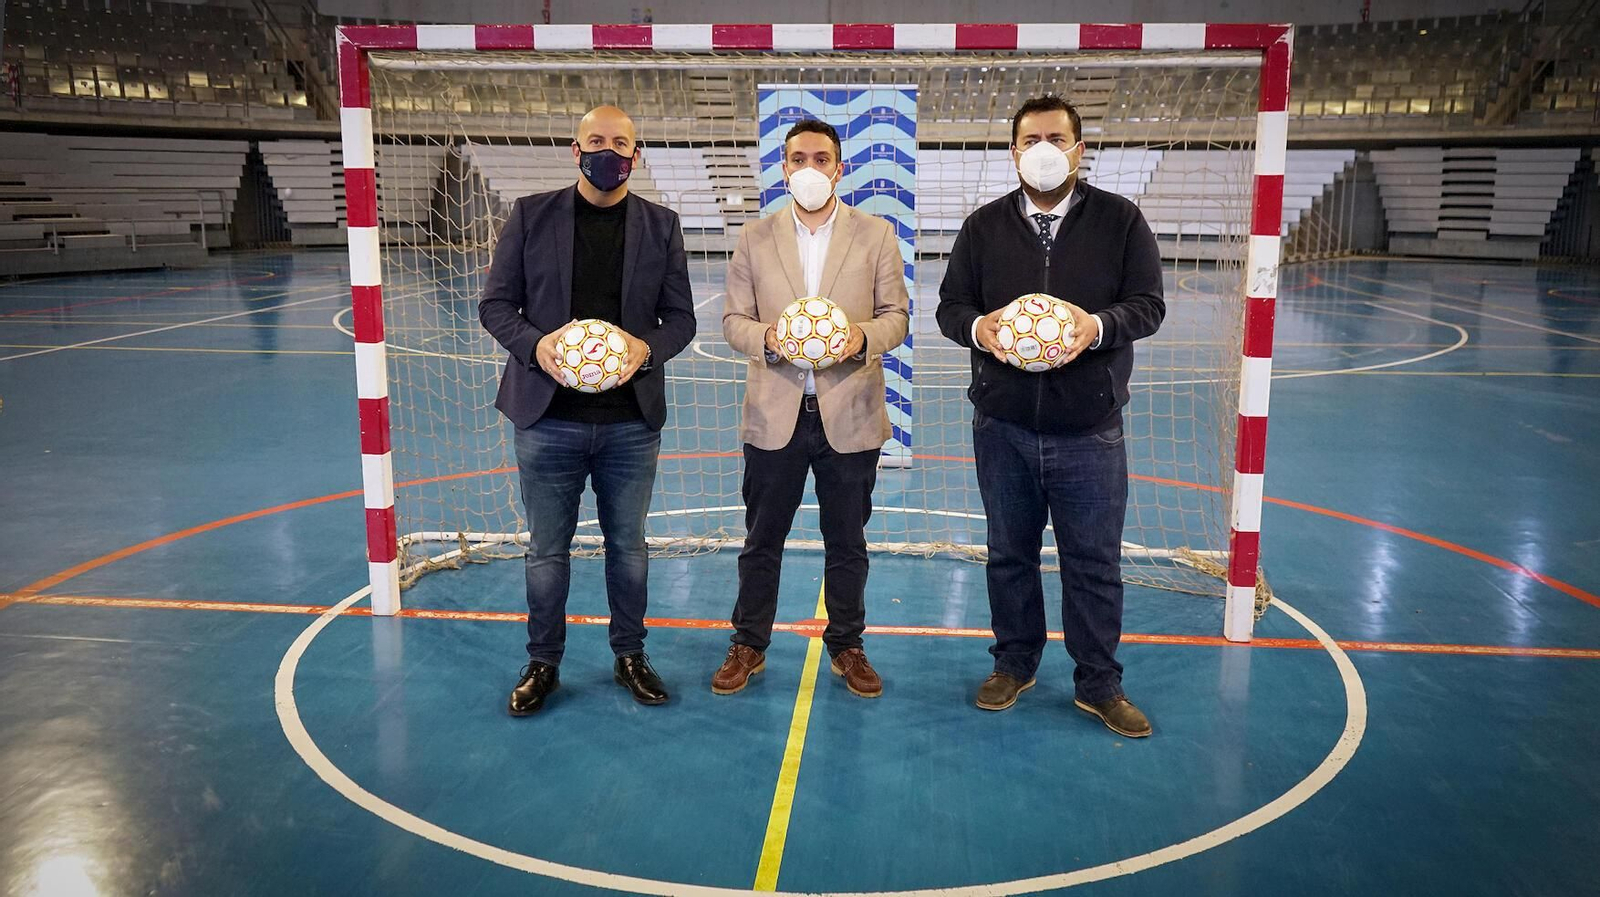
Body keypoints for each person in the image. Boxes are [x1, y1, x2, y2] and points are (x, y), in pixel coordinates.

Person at [935, 95, 1166, 737]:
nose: (1044, 149)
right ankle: (1014, 662)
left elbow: (1149, 305)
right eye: (1030, 138)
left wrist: (1095, 327)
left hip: (1090, 429)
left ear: (1079, 148)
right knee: (1008, 554)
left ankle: (1099, 683)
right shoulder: (982, 228)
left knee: (1093, 561)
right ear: (1013, 151)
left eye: (1057, 138)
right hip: (1003, 426)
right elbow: (951, 308)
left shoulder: (1120, 221)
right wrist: (984, 330)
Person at [479, 105, 696, 716]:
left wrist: (645, 350)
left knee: (629, 548)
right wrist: (537, 346)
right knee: (547, 551)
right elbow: (496, 305)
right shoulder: (532, 215)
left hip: (629, 422)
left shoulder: (662, 225)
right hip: (547, 419)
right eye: (595, 140)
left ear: (636, 154)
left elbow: (682, 318)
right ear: (576, 151)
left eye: (620, 142)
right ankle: (543, 662)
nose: (608, 151)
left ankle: (630, 655)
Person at [713, 119, 910, 699]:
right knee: (761, 538)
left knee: (847, 540)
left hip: (849, 411)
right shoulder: (755, 236)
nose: (810, 169)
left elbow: (896, 316)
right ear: (783, 169)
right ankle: (748, 642)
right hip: (776, 412)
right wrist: (772, 338)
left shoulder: (875, 234)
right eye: (798, 158)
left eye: (821, 158)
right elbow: (732, 322)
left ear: (839, 168)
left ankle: (847, 644)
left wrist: (860, 339)